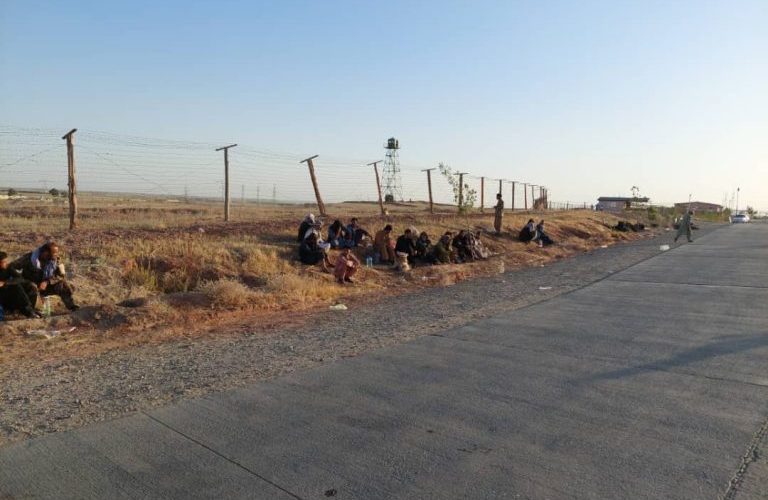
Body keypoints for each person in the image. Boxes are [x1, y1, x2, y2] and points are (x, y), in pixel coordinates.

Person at [11, 241, 79, 311]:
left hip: (46, 286)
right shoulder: (29, 258)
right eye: (52, 253)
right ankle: (30, 311)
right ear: (44, 252)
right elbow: (11, 267)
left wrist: (47, 281)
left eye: (55, 253)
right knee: (32, 287)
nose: (55, 255)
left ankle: (72, 307)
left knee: (62, 285)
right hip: (29, 287)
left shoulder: (55, 260)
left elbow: (61, 276)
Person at [0, 251, 41, 319]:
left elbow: (20, 278)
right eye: (4, 262)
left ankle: (30, 310)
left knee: (30, 286)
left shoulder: (8, 267)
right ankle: (28, 312)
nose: (6, 263)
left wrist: (5, 282)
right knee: (16, 287)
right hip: (3, 297)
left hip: (9, 290)